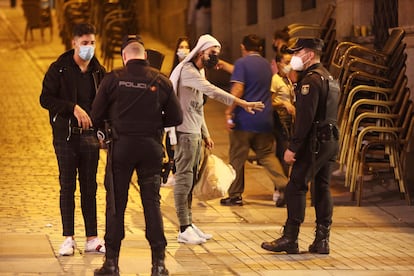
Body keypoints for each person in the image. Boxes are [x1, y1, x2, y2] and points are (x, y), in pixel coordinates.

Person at [92, 35, 182, 276]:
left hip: (121, 148)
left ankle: (111, 264)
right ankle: (159, 264)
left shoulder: (113, 79)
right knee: (151, 204)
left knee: (116, 205)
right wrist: (153, 123)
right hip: (151, 148)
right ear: (144, 55)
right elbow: (176, 117)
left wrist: (106, 130)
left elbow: (96, 114)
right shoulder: (161, 80)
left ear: (124, 56)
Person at [169, 34, 265, 245]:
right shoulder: (187, 71)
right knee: (183, 181)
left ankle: (190, 224)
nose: (215, 57)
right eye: (212, 53)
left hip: (194, 133)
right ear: (202, 51)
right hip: (184, 134)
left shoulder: (198, 71)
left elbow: (198, 108)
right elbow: (212, 92)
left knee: (192, 180)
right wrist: (242, 103)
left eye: (217, 54)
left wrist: (206, 133)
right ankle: (183, 228)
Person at [261, 38, 339, 255]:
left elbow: (305, 118)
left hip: (314, 142)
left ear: (310, 55)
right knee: (322, 188)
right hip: (330, 141)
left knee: (296, 185)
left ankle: (290, 237)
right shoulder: (330, 77)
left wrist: (293, 147)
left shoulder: (311, 81)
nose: (294, 57)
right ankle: (322, 241)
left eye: (298, 52)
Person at [39, 23, 106, 256]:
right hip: (65, 137)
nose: (89, 47)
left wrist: (104, 133)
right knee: (67, 186)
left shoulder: (99, 71)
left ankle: (92, 238)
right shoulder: (59, 69)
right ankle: (68, 238)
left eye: (92, 42)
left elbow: (106, 105)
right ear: (74, 43)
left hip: (89, 138)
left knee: (90, 188)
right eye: (85, 43)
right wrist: (72, 108)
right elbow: (45, 98)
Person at [219, 34, 288, 208]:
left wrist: (229, 112)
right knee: (267, 155)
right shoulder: (266, 65)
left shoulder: (242, 63)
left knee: (237, 158)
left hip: (244, 120)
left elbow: (239, 88)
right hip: (264, 119)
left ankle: (235, 195)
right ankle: (285, 186)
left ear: (243, 47)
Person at [162, 37, 191, 186]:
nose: (184, 50)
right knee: (172, 146)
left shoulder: (195, 72)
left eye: (186, 47)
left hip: (189, 119)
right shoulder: (172, 73)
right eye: (181, 47)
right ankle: (174, 172)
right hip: (174, 118)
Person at [270, 52, 296, 177]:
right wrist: (283, 104)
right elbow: (267, 102)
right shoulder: (275, 80)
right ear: (279, 63)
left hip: (289, 120)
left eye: (291, 62)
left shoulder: (288, 79)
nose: (289, 65)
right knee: (283, 152)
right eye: (286, 62)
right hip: (279, 120)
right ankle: (281, 186)